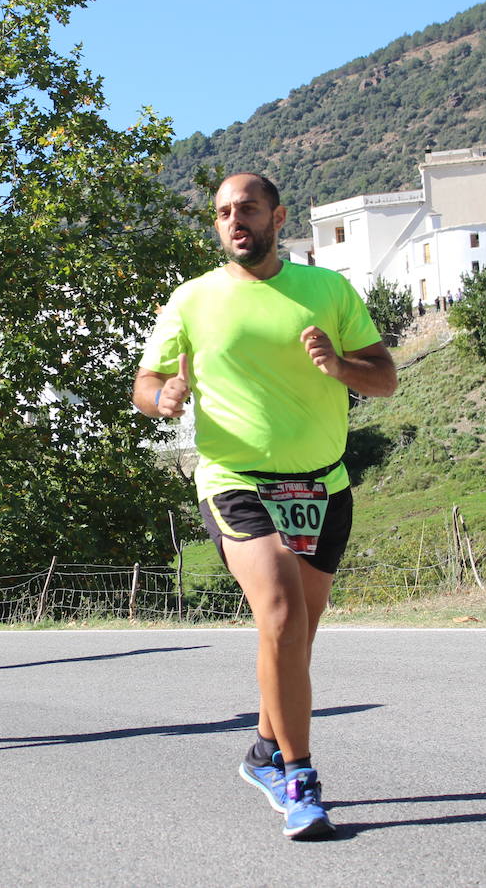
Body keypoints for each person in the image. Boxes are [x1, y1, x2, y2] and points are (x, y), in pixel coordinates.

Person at [132, 173, 397, 840]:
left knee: (295, 638)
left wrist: (340, 368)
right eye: (223, 212)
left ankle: (262, 751)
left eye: (247, 208)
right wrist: (163, 399)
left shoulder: (328, 291)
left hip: (323, 488)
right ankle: (300, 777)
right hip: (235, 481)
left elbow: (385, 377)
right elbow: (147, 381)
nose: (234, 220)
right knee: (278, 611)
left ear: (278, 216)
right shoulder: (193, 300)